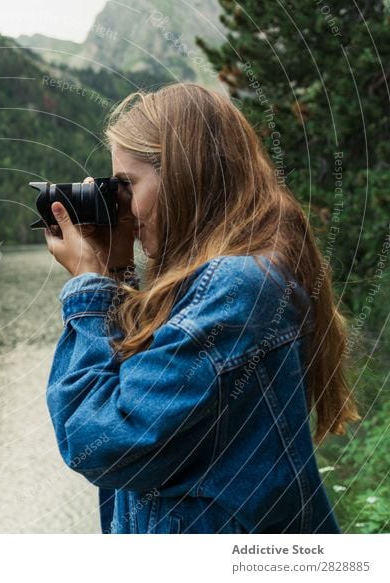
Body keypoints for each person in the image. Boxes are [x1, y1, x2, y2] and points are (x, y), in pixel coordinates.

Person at [43, 82, 360, 534]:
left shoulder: (235, 288)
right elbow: (140, 403)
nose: (126, 210)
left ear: (182, 174)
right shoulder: (244, 275)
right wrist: (114, 271)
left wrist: (89, 288)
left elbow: (100, 442)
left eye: (128, 186)